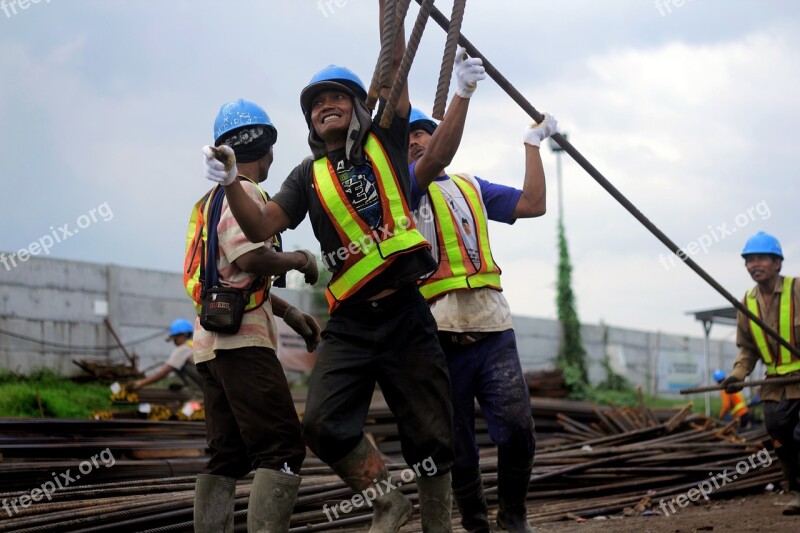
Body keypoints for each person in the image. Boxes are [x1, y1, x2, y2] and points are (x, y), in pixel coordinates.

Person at [202, 3, 454, 530]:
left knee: (432, 435)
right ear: (310, 121)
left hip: (406, 313)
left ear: (359, 106)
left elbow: (395, 71)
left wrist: (395, 14)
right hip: (353, 324)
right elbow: (259, 224)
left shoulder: (386, 136)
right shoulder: (304, 175)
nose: (326, 107)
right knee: (321, 423)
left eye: (337, 97)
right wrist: (228, 180)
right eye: (317, 104)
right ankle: (388, 500)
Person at [406, 64, 556, 531]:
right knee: (456, 443)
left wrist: (532, 147)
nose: (414, 143)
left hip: (493, 328)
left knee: (516, 428)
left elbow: (533, 204)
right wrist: (463, 91)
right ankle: (475, 521)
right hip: (439, 335)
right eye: (405, 140)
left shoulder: (471, 187)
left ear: (442, 136)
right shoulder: (402, 192)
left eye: (423, 135)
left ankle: (514, 515)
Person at [192, 98, 322, 533]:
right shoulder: (244, 194)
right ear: (267, 148)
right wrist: (301, 258)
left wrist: (287, 313)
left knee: (226, 456)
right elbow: (251, 260)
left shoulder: (207, 205)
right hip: (242, 346)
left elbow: (227, 277)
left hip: (210, 346)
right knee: (283, 448)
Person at [720, 231, 800, 516]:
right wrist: (737, 376)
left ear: (777, 263)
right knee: (780, 436)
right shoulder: (746, 304)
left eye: (762, 258)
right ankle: (798, 492)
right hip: (776, 384)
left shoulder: (798, 289)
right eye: (750, 260)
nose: (755, 264)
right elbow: (747, 350)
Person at [130, 318, 202, 391]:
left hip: (203, 385)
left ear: (183, 335)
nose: (174, 342)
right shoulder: (194, 345)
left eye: (175, 338)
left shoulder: (183, 349)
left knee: (178, 366)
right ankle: (190, 388)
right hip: (209, 382)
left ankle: (198, 395)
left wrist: (140, 383)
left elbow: (164, 372)